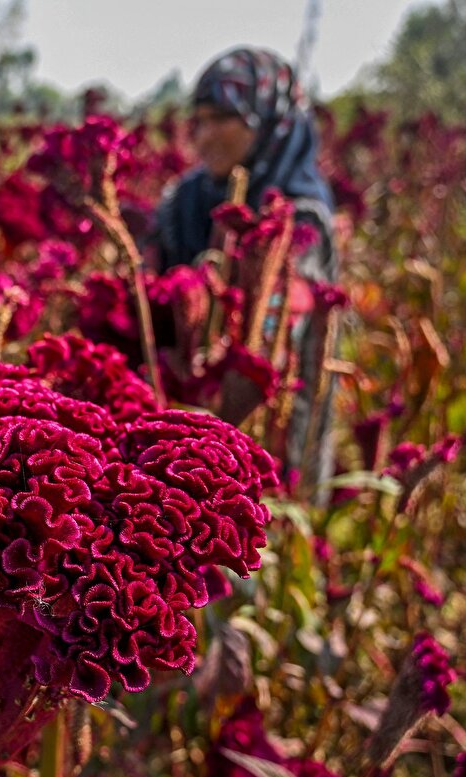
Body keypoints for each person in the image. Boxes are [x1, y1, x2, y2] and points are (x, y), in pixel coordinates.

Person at [155, 47, 339, 500]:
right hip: (183, 408)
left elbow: (281, 319)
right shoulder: (186, 198)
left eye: (222, 118)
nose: (204, 136)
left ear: (269, 123)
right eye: (199, 119)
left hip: (272, 414)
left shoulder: (302, 214)